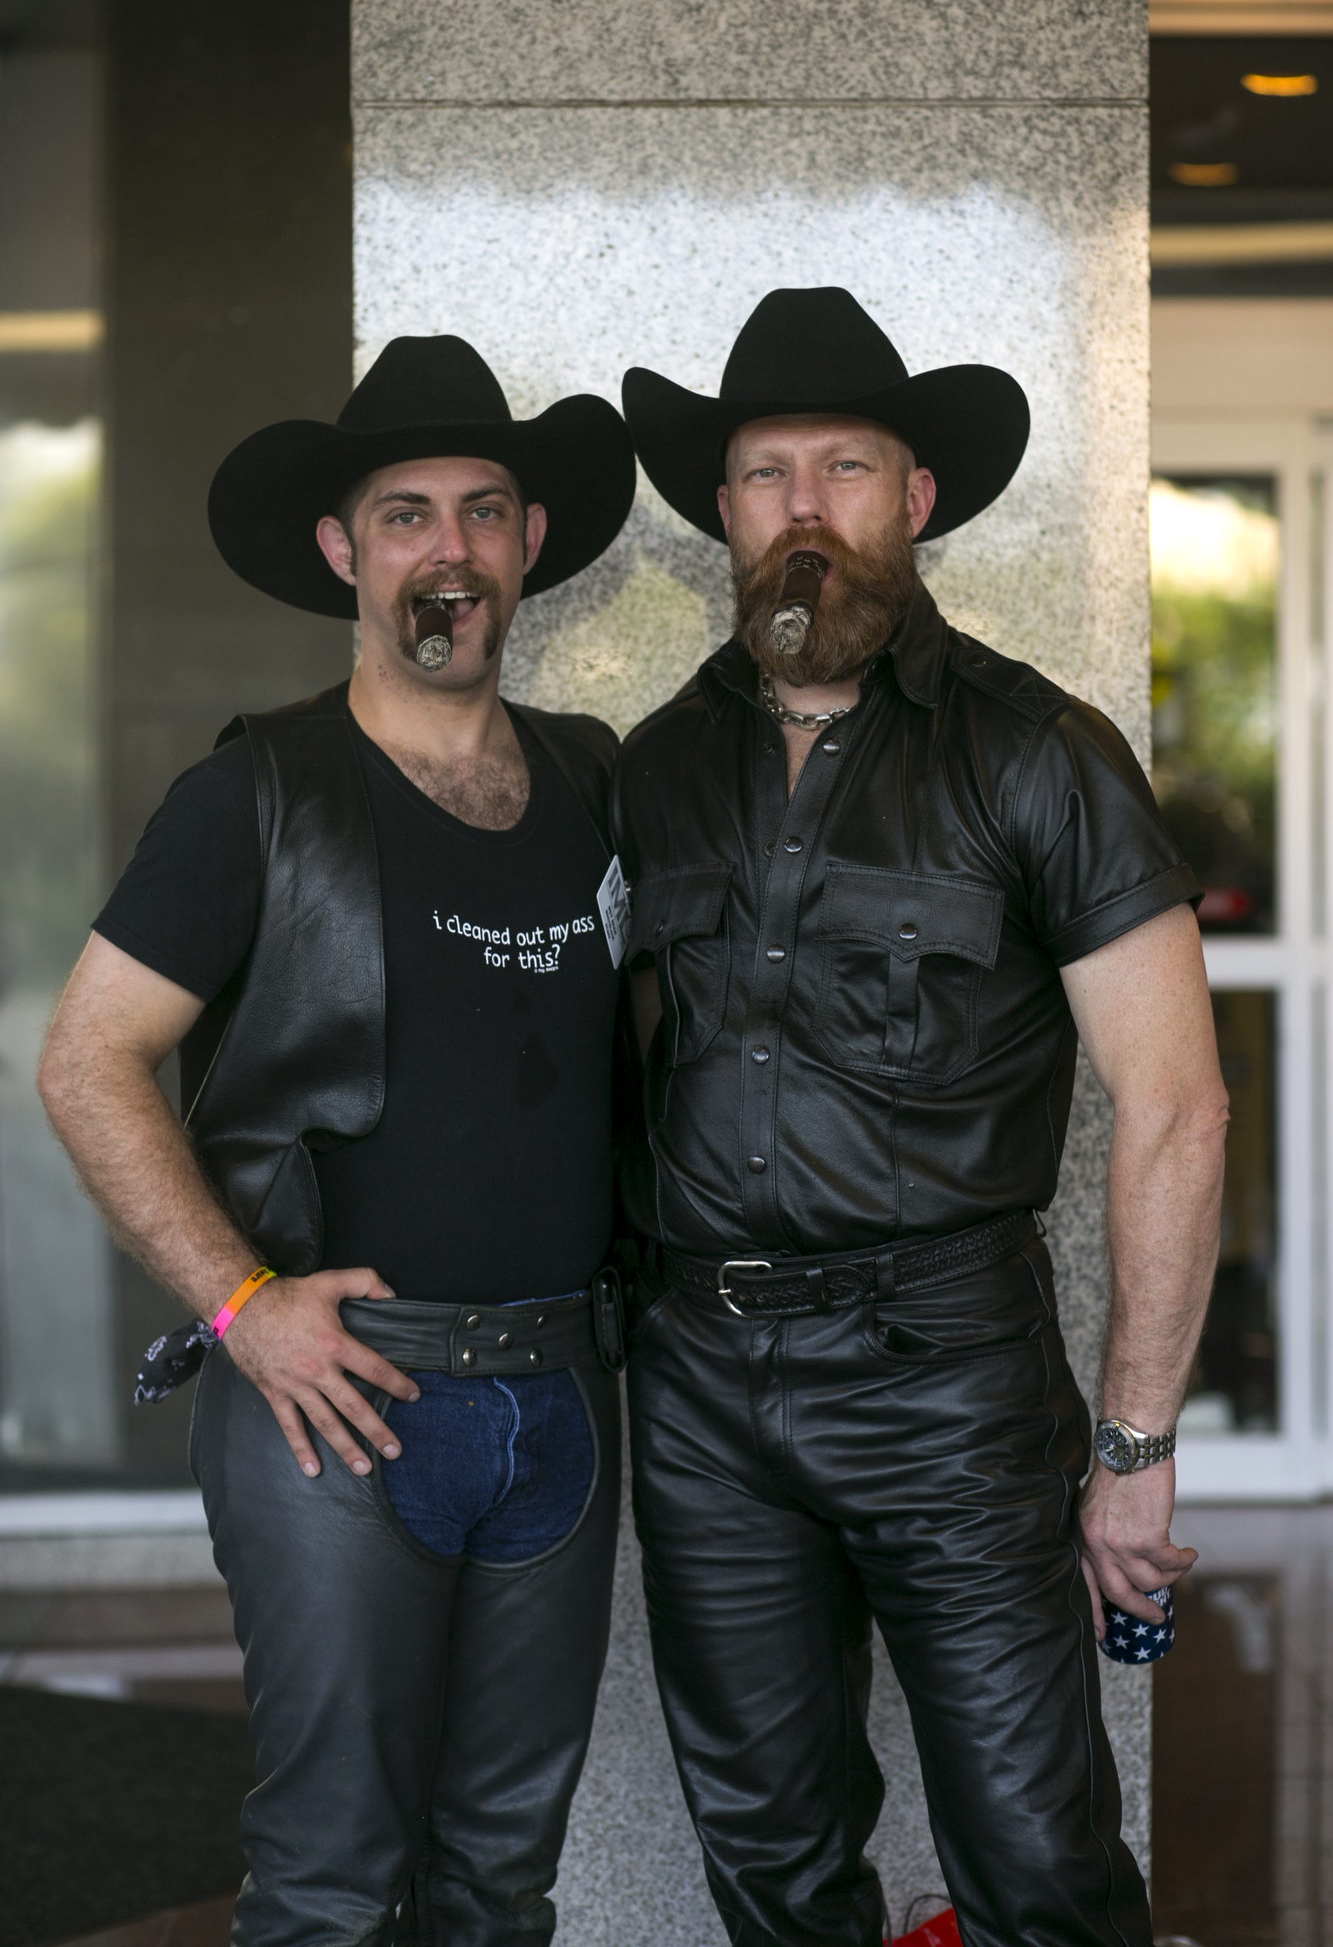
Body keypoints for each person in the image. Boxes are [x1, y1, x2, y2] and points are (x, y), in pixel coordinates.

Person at [612, 286, 1227, 1947]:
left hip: (943, 1380)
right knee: (773, 1862)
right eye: (762, 473)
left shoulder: (1039, 754)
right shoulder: (653, 768)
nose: (801, 508)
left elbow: (1174, 1110)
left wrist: (1130, 1456)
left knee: (1034, 1864)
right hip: (698, 1392)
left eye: (844, 467)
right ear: (721, 511)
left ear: (915, 500)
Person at [38, 334, 638, 1947]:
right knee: (327, 1880)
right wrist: (240, 1305)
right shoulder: (255, 795)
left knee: (501, 1883)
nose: (447, 548)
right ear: (342, 552)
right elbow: (89, 1061)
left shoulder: (592, 782)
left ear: (524, 545)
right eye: (404, 514)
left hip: (566, 1404)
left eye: (482, 509)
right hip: (344, 1409)